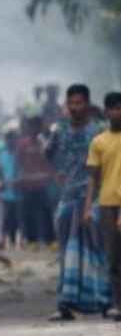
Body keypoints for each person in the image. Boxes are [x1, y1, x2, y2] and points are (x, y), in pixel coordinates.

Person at [49, 84, 111, 321]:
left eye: (79, 103)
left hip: (96, 198)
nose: (75, 108)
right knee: (67, 251)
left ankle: (106, 301)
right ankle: (65, 303)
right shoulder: (59, 131)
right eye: (71, 103)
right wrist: (59, 176)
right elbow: (50, 155)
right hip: (67, 198)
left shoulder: (99, 131)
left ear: (87, 104)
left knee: (98, 250)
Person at [84, 91, 121, 320]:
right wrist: (88, 207)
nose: (118, 112)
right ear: (106, 112)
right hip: (107, 203)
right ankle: (118, 303)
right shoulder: (98, 142)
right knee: (113, 257)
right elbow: (93, 178)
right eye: (114, 108)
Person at [15, 116, 56, 247]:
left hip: (43, 184)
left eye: (36, 126)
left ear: (40, 127)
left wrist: (50, 174)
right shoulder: (23, 143)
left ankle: (50, 240)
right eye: (31, 126)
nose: (34, 129)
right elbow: (18, 161)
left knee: (45, 212)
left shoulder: (44, 142)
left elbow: (51, 161)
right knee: (29, 212)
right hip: (27, 184)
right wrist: (20, 178)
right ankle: (32, 241)